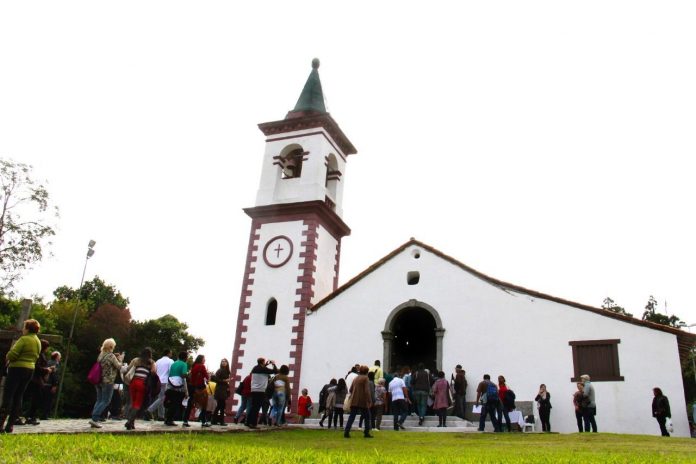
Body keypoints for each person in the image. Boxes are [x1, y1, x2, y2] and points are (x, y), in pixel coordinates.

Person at [0, 319, 42, 434]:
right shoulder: (37, 341)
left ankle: (0, 424)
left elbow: (12, 355)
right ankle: (10, 425)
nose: (23, 329)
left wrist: (8, 354)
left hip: (17, 368)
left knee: (8, 396)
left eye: (24, 327)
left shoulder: (24, 339)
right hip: (30, 369)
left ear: (28, 329)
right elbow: (37, 356)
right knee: (18, 396)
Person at [88, 338, 124, 429]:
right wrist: (120, 359)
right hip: (108, 381)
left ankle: (94, 417)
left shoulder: (101, 355)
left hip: (98, 380)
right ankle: (95, 419)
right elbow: (119, 367)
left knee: (99, 400)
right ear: (111, 346)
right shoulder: (111, 356)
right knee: (106, 401)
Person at [123, 347, 156, 430]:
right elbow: (153, 372)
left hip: (133, 382)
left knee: (132, 403)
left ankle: (131, 424)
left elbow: (128, 369)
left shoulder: (136, 360)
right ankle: (129, 421)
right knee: (137, 404)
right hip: (142, 384)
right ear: (150, 354)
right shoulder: (151, 362)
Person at [25, 339, 52, 425]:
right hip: (35, 379)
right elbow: (37, 367)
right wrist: (46, 370)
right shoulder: (38, 355)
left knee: (35, 398)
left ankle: (30, 415)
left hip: (37, 379)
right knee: (36, 398)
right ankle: (30, 416)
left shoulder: (40, 354)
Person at [247, 357, 277, 428]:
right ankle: (253, 424)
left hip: (254, 389)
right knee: (256, 408)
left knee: (253, 406)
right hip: (260, 390)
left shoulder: (255, 368)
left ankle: (248, 422)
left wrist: (266, 364)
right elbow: (275, 371)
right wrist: (273, 364)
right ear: (262, 362)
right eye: (264, 362)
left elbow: (262, 369)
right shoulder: (263, 369)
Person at [344, 365, 373, 438]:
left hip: (354, 400)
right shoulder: (365, 378)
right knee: (367, 416)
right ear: (366, 372)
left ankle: (346, 431)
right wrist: (369, 400)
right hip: (362, 400)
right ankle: (366, 432)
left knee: (352, 416)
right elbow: (367, 391)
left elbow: (350, 389)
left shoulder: (356, 378)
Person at [145, 349, 173, 421]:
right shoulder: (170, 361)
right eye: (171, 353)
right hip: (165, 381)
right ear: (169, 353)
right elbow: (171, 372)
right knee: (162, 398)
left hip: (157, 381)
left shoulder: (158, 361)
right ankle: (149, 410)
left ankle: (161, 416)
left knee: (161, 398)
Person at [184, 354, 210, 427]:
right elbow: (207, 376)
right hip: (200, 387)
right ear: (201, 359)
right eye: (204, 359)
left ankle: (185, 420)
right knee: (204, 405)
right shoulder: (202, 366)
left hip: (192, 387)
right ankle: (203, 422)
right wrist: (207, 379)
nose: (205, 360)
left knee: (190, 404)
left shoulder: (193, 366)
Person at [164, 351, 189, 426]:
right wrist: (188, 374)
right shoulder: (184, 364)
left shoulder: (174, 363)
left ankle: (167, 419)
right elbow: (183, 374)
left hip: (170, 384)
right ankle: (170, 420)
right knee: (176, 404)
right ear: (185, 358)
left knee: (171, 402)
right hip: (178, 387)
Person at [211, 358, 230, 426]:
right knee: (222, 406)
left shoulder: (227, 371)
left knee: (219, 406)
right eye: (222, 361)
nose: (224, 363)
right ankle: (221, 421)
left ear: (227, 363)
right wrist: (224, 380)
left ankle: (214, 420)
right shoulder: (220, 370)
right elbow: (215, 379)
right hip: (220, 390)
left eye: (225, 361)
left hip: (223, 389)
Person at [43, 351, 61, 420]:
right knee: (49, 400)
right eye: (59, 357)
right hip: (50, 384)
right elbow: (55, 375)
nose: (60, 358)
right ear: (57, 357)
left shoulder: (48, 362)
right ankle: (45, 415)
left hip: (44, 383)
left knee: (44, 399)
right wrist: (55, 385)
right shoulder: (55, 364)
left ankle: (43, 414)